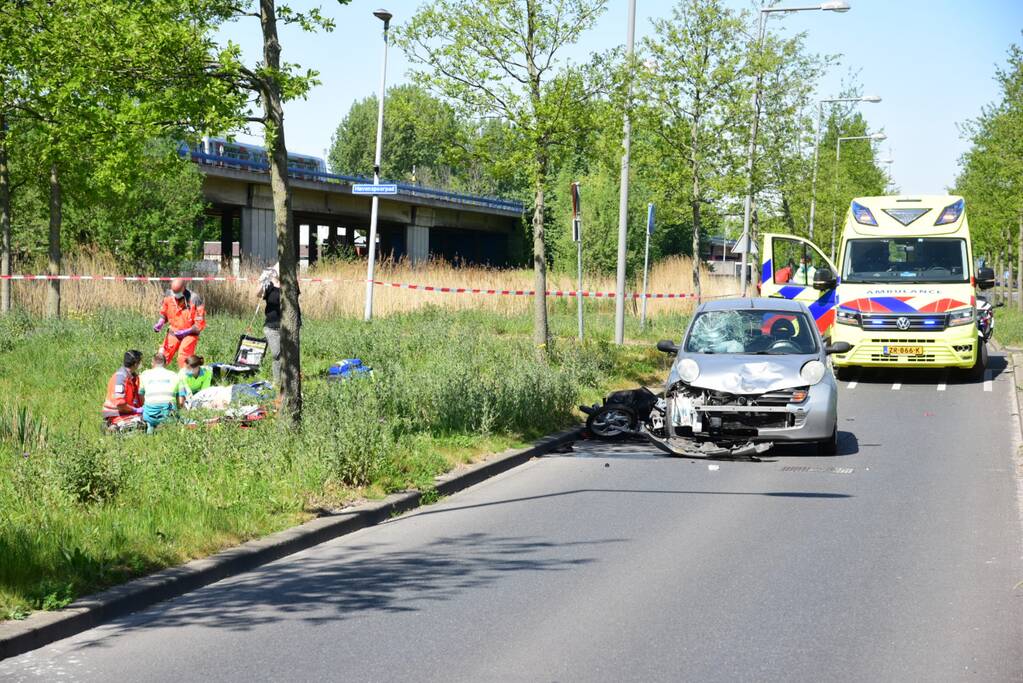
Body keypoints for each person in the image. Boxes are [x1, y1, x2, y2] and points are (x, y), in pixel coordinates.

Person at [154, 278, 206, 368]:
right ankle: (155, 378)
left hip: (190, 333)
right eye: (174, 292)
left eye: (177, 292)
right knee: (161, 356)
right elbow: (164, 313)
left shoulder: (194, 299)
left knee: (183, 357)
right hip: (173, 332)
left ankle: (185, 378)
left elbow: (199, 324)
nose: (175, 295)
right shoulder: (169, 295)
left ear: (184, 288)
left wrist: (186, 331)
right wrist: (160, 322)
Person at [139, 353, 184, 433]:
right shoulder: (175, 375)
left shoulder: (144, 374)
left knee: (150, 421)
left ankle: (150, 428)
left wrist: (145, 407)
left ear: (152, 363)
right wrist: (179, 411)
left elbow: (140, 394)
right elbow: (181, 402)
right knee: (174, 422)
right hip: (169, 413)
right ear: (166, 363)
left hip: (149, 414)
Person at [102, 350, 144, 431]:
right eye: (140, 362)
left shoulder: (131, 377)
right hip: (116, 412)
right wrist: (135, 410)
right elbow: (120, 404)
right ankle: (115, 427)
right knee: (142, 423)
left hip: (126, 410)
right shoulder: (121, 378)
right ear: (135, 364)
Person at [259, 263, 283, 385]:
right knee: (276, 353)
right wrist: (262, 282)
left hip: (288, 326)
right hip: (271, 326)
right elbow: (259, 295)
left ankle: (288, 379)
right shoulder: (269, 285)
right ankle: (277, 382)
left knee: (288, 354)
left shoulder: (288, 283)